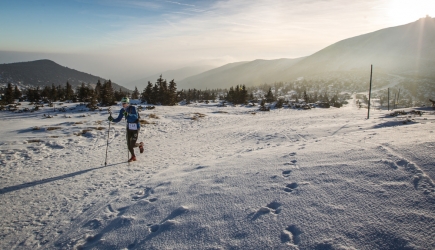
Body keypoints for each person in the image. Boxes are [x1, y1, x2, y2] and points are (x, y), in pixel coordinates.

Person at [108, 97, 144, 162]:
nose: (123, 104)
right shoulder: (122, 110)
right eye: (122, 103)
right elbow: (118, 119)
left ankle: (140, 145)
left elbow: (135, 116)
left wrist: (128, 114)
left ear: (128, 103)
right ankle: (133, 156)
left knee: (132, 144)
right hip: (129, 127)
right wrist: (112, 119)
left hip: (136, 127)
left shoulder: (133, 108)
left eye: (124, 103)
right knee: (128, 144)